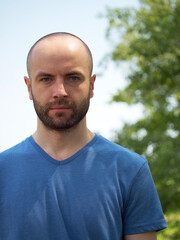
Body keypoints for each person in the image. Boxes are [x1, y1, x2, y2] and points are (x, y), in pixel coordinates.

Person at [0, 32, 167, 240]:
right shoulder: (2, 170)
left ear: (91, 85)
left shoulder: (131, 170)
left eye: (73, 78)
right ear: (29, 87)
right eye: (46, 79)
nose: (60, 91)